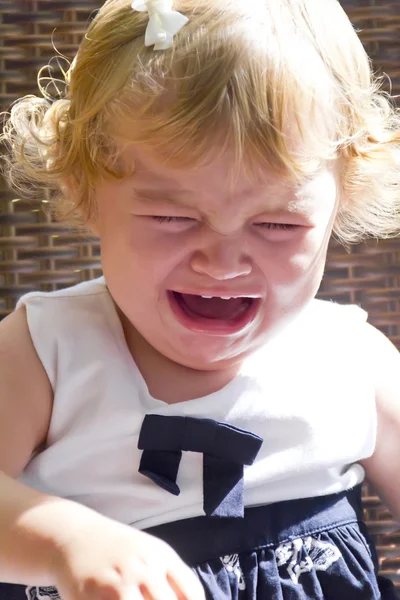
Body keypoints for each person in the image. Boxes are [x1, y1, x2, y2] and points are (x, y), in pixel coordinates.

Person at [1, 0, 400, 598]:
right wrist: (64, 542)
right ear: (87, 194)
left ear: (338, 205)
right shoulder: (46, 353)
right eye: (172, 216)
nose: (222, 262)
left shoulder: (350, 361)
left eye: (278, 225)